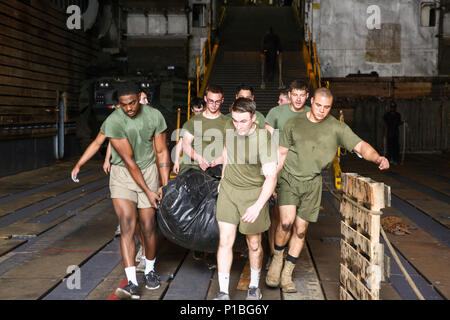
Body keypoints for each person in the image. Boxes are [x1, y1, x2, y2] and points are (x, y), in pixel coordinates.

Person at [266, 87, 389, 293]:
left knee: (301, 229)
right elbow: (281, 153)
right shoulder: (294, 123)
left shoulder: (336, 127)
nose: (322, 110)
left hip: (313, 182)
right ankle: (277, 259)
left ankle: (287, 273)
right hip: (289, 178)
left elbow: (361, 146)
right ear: (311, 101)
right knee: (286, 222)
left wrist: (378, 158)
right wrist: (271, 182)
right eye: (318, 105)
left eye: (327, 107)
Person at [71, 81, 170, 299]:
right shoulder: (114, 121)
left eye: (133, 103)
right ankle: (132, 282)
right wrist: (79, 164)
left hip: (149, 171)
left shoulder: (155, 116)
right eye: (124, 105)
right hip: (123, 174)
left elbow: (162, 152)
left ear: (140, 97)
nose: (129, 108)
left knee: (148, 226)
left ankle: (150, 270)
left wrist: (164, 186)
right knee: (127, 224)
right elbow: (129, 161)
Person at [214, 98, 277, 300]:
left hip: (252, 194)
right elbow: (226, 151)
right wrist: (223, 178)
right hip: (229, 191)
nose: (238, 126)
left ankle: (253, 286)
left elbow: (271, 177)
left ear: (254, 118)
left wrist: (258, 206)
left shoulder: (263, 138)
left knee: (255, 244)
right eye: (235, 120)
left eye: (243, 121)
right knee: (225, 240)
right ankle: (223, 292)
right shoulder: (230, 129)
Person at [264, 80, 311, 263]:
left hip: (303, 173)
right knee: (279, 219)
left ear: (307, 96)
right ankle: (275, 257)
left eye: (302, 95)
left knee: (298, 223)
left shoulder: (311, 113)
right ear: (289, 94)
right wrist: (270, 173)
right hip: (280, 170)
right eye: (295, 94)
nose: (298, 99)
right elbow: (266, 142)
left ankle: (288, 260)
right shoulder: (276, 113)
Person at [178, 84, 229, 176]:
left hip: (217, 169)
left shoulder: (228, 123)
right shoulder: (193, 122)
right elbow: (186, 145)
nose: (214, 105)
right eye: (211, 101)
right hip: (193, 168)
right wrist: (199, 159)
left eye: (217, 102)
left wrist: (219, 160)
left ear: (222, 101)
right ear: (205, 99)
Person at [172, 97, 206, 175]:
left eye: (200, 111)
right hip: (189, 165)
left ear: (204, 109)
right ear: (192, 110)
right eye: (196, 111)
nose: (199, 114)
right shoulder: (189, 124)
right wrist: (176, 162)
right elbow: (180, 143)